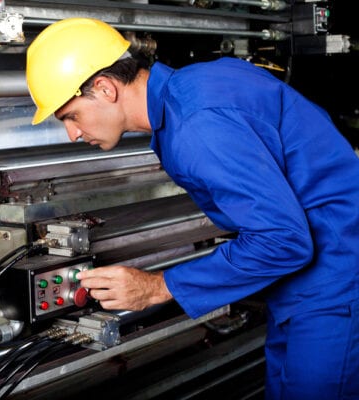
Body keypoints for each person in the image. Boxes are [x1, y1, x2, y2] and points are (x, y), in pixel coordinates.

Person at [25, 17, 359, 400]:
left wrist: (158, 287)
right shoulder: (194, 88)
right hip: (308, 282)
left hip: (336, 283)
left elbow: (283, 240)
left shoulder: (197, 126)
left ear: (104, 88)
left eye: (71, 116)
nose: (72, 133)